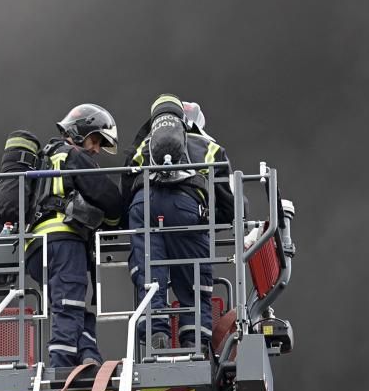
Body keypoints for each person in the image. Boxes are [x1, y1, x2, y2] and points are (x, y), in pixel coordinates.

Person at [123, 95, 234, 351]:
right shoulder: (210, 148)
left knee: (151, 276)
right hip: (185, 206)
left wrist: (124, 219)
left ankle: (156, 336)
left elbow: (126, 184)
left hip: (143, 206)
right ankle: (195, 343)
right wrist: (210, 216)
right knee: (194, 280)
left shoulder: (145, 146)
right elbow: (230, 203)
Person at [26, 104, 123, 368]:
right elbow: (108, 197)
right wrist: (112, 221)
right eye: (96, 140)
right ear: (81, 132)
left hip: (36, 249)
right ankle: (62, 365)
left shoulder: (43, 157)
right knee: (69, 305)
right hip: (64, 242)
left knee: (70, 307)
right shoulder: (72, 155)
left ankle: (88, 354)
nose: (96, 149)